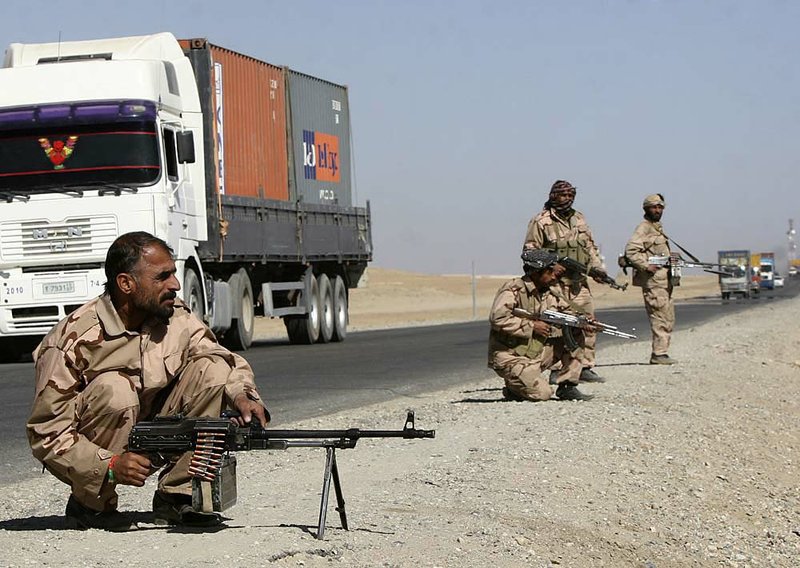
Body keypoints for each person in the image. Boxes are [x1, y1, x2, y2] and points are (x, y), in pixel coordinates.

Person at [27, 231, 269, 531]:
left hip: (160, 431)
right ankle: (92, 504)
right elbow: (46, 433)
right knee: (115, 389)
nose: (175, 285)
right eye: (162, 277)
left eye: (174, 274)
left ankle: (178, 496)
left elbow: (219, 357)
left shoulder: (174, 317)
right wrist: (110, 467)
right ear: (126, 284)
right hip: (102, 453)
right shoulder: (73, 339)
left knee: (214, 372)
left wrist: (244, 395)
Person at [523, 179, 608, 383]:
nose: (568, 199)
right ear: (553, 196)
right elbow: (529, 252)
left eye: (571, 195)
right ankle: (556, 368)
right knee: (558, 328)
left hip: (579, 283)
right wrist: (551, 264)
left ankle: (584, 366)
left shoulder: (579, 218)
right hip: (555, 284)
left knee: (587, 324)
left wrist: (597, 269)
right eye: (564, 195)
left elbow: (589, 246)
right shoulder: (540, 221)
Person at [488, 248, 595, 402]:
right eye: (550, 271)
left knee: (575, 332)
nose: (555, 276)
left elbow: (567, 311)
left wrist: (583, 320)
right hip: (510, 356)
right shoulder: (513, 289)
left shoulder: (549, 291)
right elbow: (497, 318)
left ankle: (567, 386)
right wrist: (532, 326)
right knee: (543, 394)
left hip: (534, 351)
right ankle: (514, 387)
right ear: (536, 272)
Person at [623, 193, 677, 365]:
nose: (657, 210)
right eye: (654, 207)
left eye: (660, 207)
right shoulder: (644, 228)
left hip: (664, 281)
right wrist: (646, 266)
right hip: (654, 282)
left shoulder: (656, 228)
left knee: (667, 316)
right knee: (660, 316)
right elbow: (631, 251)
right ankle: (659, 354)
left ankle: (662, 351)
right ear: (646, 209)